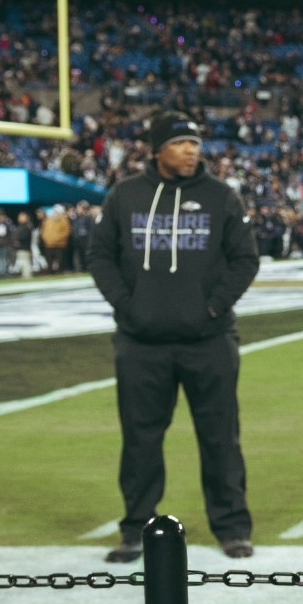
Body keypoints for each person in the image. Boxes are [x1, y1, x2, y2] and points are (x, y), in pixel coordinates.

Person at [88, 113, 258, 563]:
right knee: (140, 440)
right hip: (140, 342)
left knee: (221, 437)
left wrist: (213, 306)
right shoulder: (124, 195)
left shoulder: (222, 197)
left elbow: (245, 259)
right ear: (157, 148)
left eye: (195, 143)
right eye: (181, 142)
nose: (191, 150)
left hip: (208, 339)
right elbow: (100, 255)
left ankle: (233, 527)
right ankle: (135, 528)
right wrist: (128, 306)